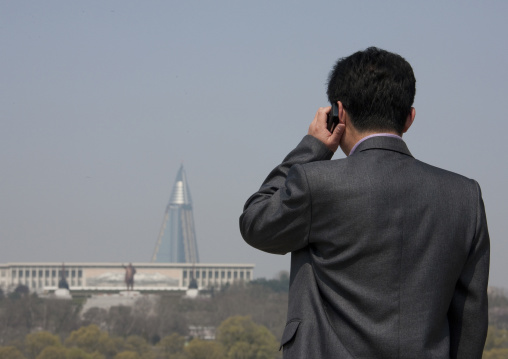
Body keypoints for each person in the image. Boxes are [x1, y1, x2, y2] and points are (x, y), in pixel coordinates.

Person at [239, 47, 490, 358]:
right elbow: (471, 318)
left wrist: (312, 148)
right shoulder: (464, 196)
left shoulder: (316, 183)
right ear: (409, 118)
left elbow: (256, 222)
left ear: (338, 113)